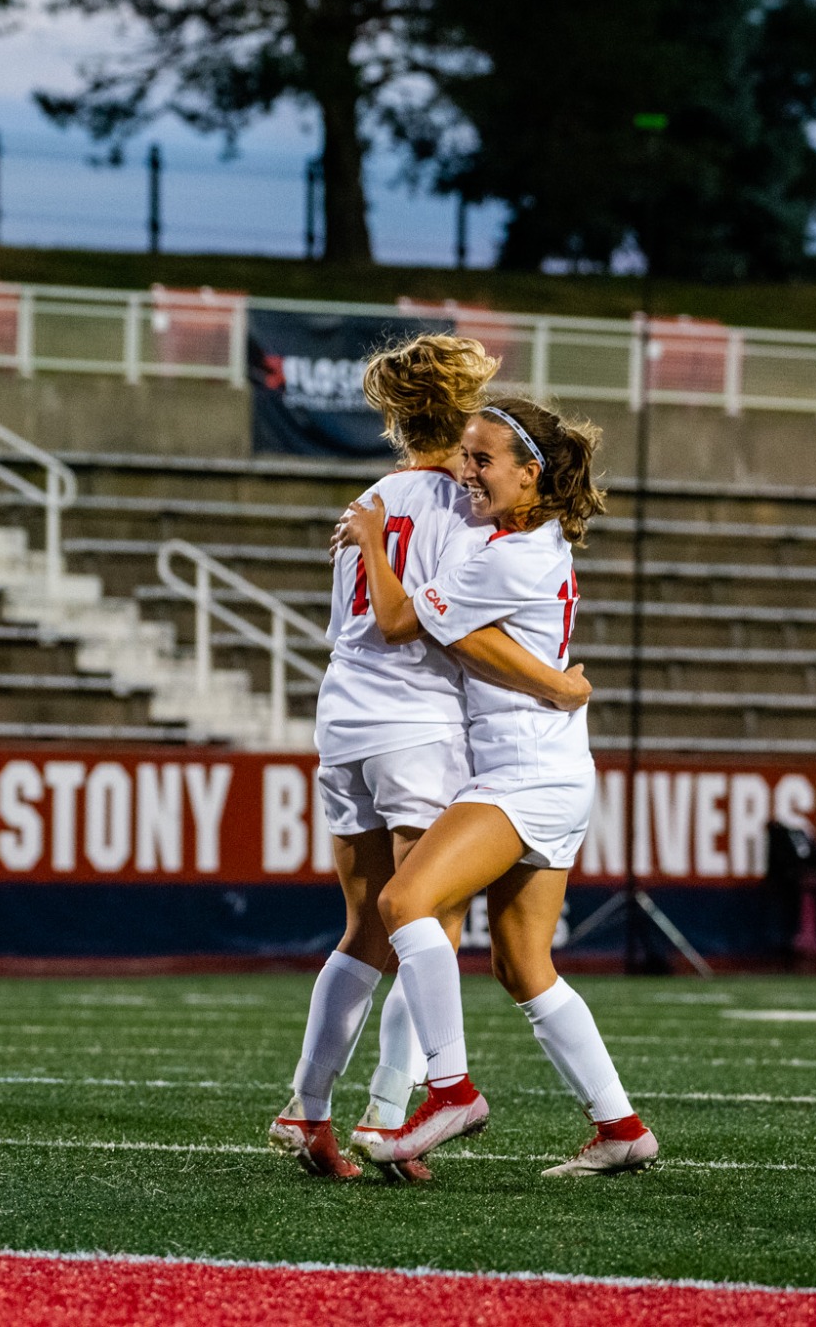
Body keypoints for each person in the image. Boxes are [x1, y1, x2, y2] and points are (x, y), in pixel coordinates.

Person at [270, 335, 594, 1182]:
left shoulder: (372, 495)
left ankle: (309, 1110)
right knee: (427, 923)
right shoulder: (463, 500)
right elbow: (415, 621)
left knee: (367, 927)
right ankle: (396, 1110)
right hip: (415, 719)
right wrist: (560, 685)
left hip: (342, 714)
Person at [346, 397, 659, 1178]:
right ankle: (621, 1128)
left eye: (483, 460)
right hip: (551, 768)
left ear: (531, 473)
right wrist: (559, 684)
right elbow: (478, 641)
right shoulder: (525, 540)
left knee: (403, 905)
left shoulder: (506, 555)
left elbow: (398, 621)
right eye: (464, 455)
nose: (466, 471)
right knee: (523, 966)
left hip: (523, 775)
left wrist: (373, 543)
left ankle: (449, 1089)